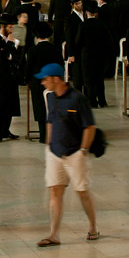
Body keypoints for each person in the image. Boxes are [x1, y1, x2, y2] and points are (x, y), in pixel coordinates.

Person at [36, 63, 98, 247]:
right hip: (55, 152)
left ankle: (93, 227)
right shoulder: (51, 98)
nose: (43, 83)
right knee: (55, 190)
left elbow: (90, 126)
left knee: (82, 191)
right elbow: (50, 121)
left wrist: (83, 150)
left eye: (45, 79)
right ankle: (54, 234)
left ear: (56, 79)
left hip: (75, 153)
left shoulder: (77, 99)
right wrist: (48, 144)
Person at [0, 13, 21, 143]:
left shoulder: (10, 40)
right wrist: (8, 46)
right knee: (1, 104)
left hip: (12, 76)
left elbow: (15, 56)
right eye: (11, 27)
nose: (12, 30)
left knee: (11, 103)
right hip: (2, 76)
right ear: (4, 26)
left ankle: (6, 129)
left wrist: (8, 51)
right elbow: (2, 57)